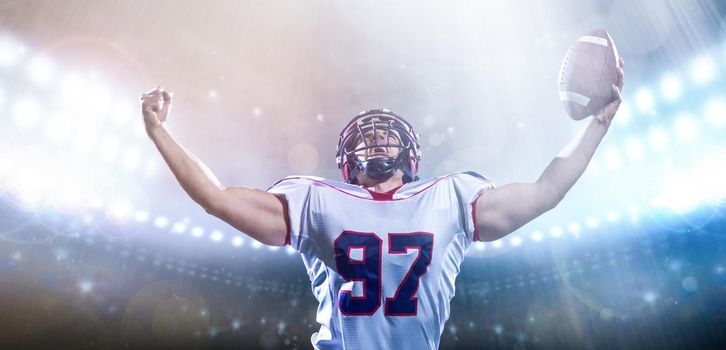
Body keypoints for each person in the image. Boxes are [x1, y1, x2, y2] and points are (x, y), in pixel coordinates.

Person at [140, 58, 624, 349]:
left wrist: (596, 125)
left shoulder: (450, 195)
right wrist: (160, 133)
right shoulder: (316, 198)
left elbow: (544, 193)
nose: (375, 143)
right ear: (347, 160)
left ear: (410, 155)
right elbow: (216, 199)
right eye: (365, 138)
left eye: (385, 136)